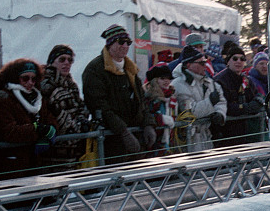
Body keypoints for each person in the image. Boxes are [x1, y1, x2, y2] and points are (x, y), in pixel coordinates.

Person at [82, 24, 155, 163]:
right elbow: (99, 105)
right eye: (121, 42)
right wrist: (123, 132)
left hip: (136, 138)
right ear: (110, 44)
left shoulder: (130, 69)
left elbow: (142, 101)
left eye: (128, 42)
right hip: (112, 141)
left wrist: (148, 124)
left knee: (137, 180)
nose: (125, 46)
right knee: (117, 180)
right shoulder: (96, 69)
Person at [0, 59, 58, 180]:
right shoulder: (2, 100)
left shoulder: (37, 99)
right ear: (14, 78)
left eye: (33, 79)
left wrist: (47, 133)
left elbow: (49, 119)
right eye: (25, 78)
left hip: (31, 164)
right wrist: (37, 129)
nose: (30, 83)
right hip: (8, 166)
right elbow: (8, 131)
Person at [40, 44, 93, 168]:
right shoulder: (46, 84)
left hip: (74, 149)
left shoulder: (71, 84)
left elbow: (81, 107)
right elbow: (57, 115)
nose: (67, 63)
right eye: (62, 59)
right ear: (52, 62)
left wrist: (82, 121)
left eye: (70, 60)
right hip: (55, 150)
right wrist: (77, 129)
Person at [172, 45, 227, 150]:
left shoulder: (209, 82)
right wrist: (210, 102)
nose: (205, 65)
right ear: (189, 65)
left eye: (205, 62)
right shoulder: (178, 84)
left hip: (206, 136)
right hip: (189, 139)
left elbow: (221, 101)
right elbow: (189, 112)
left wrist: (220, 113)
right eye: (201, 63)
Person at [214, 44, 264, 146]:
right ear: (228, 61)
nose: (238, 62)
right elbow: (223, 106)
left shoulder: (247, 80)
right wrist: (245, 108)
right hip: (226, 134)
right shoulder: (220, 80)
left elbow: (257, 96)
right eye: (235, 59)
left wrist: (258, 102)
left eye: (242, 59)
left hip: (246, 133)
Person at [142, 63, 177, 154]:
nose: (166, 81)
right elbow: (145, 116)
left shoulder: (172, 97)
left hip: (170, 142)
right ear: (155, 80)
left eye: (168, 78)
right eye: (162, 78)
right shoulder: (149, 98)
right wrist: (161, 119)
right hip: (154, 143)